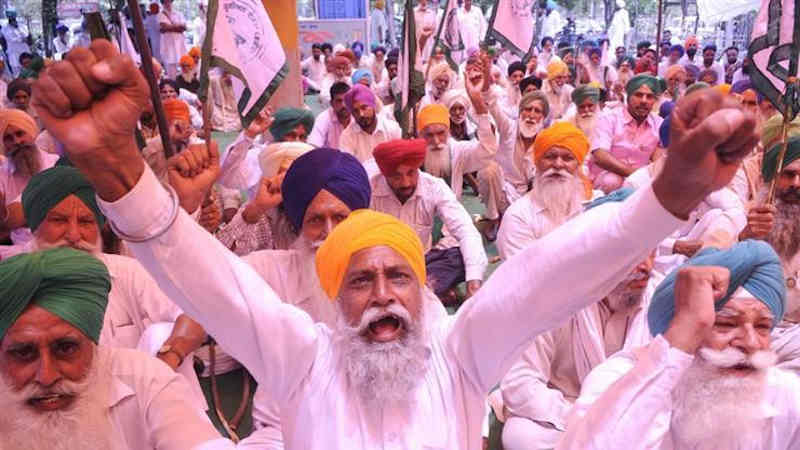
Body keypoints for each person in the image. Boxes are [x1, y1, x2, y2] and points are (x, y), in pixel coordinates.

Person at [31, 38, 759, 449]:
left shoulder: (462, 355)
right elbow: (214, 282)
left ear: (421, 291)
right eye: (360, 281)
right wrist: (122, 175)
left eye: (398, 278)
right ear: (334, 297)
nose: (382, 295)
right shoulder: (303, 359)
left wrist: (665, 199)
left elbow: (542, 276)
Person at [559, 241, 797, 450]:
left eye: (763, 326)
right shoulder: (617, 378)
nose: (751, 343)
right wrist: (678, 345)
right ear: (683, 326)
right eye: (725, 323)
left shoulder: (785, 394)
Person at [8, 166, 208, 404]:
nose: (74, 235)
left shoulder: (126, 272)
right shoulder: (12, 282)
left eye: (85, 221)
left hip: (134, 402)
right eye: (59, 220)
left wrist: (168, 359)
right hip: (48, 410)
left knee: (162, 333)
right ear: (34, 225)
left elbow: (191, 314)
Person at [0, 248, 234, 449]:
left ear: (93, 342)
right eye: (24, 353)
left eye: (66, 348)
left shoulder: (144, 380)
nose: (47, 376)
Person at [233, 148, 373, 447]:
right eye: (316, 220)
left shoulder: (387, 278)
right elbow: (210, 277)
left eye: (340, 217)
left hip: (371, 422)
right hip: (283, 426)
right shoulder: (271, 268)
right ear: (300, 224)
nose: (330, 232)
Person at [500, 252, 655, 449]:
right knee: (521, 436)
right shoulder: (554, 299)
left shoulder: (656, 298)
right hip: (565, 405)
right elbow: (519, 383)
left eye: (653, 254)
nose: (647, 268)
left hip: (626, 412)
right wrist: (583, 418)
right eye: (638, 255)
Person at [370, 138, 487, 302]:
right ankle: (425, 293)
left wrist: (474, 284)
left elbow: (466, 230)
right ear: (384, 174)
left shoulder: (434, 187)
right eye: (396, 176)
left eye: (411, 173)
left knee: (461, 257)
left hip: (421, 263)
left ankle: (414, 292)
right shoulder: (370, 188)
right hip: (380, 265)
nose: (405, 183)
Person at [496, 122, 591, 260]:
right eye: (550, 157)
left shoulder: (591, 205)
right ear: (537, 162)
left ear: (578, 166)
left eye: (568, 158)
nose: (558, 164)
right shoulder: (519, 216)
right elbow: (523, 274)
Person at [215, 141, 313, 254]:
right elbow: (223, 255)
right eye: (285, 175)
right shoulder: (264, 212)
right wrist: (255, 210)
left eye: (297, 177)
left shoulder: (319, 210)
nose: (290, 183)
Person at [588, 74, 664, 193]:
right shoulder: (609, 118)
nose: (644, 101)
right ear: (628, 96)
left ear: (654, 100)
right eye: (638, 95)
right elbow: (600, 156)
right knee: (613, 181)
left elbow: (658, 161)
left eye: (649, 97)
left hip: (638, 185)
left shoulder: (659, 125)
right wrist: (636, 175)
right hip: (604, 181)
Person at [0, 109, 59, 246]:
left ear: (32, 133)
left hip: (57, 243)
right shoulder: (2, 175)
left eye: (20, 134)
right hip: (17, 249)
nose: (17, 141)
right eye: (8, 138)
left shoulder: (55, 164)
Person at [339, 84, 401, 162]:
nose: (361, 114)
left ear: (373, 106)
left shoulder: (392, 129)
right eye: (355, 111)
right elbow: (349, 167)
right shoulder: (347, 136)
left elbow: (400, 161)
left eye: (364, 108)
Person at [309, 82, 351, 149]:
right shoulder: (324, 118)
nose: (343, 105)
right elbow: (313, 146)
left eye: (346, 100)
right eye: (339, 101)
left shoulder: (357, 117)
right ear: (331, 103)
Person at [158, 0, 187, 78]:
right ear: (163, 3)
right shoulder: (161, 15)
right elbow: (164, 27)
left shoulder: (179, 14)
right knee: (171, 70)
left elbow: (184, 27)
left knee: (184, 67)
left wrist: (170, 27)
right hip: (169, 45)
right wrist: (178, 27)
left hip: (180, 44)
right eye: (165, 1)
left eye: (169, 1)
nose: (168, 3)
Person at [1, 10, 30, 76]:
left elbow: (26, 34)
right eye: (10, 17)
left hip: (24, 51)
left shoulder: (22, 26)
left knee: (28, 70)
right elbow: (11, 38)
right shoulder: (5, 29)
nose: (12, 19)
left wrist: (18, 28)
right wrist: (21, 39)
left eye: (13, 17)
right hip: (13, 53)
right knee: (17, 73)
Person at [414, 0, 439, 64]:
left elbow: (435, 32)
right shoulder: (413, 13)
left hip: (428, 49)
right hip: (416, 48)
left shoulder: (432, 14)